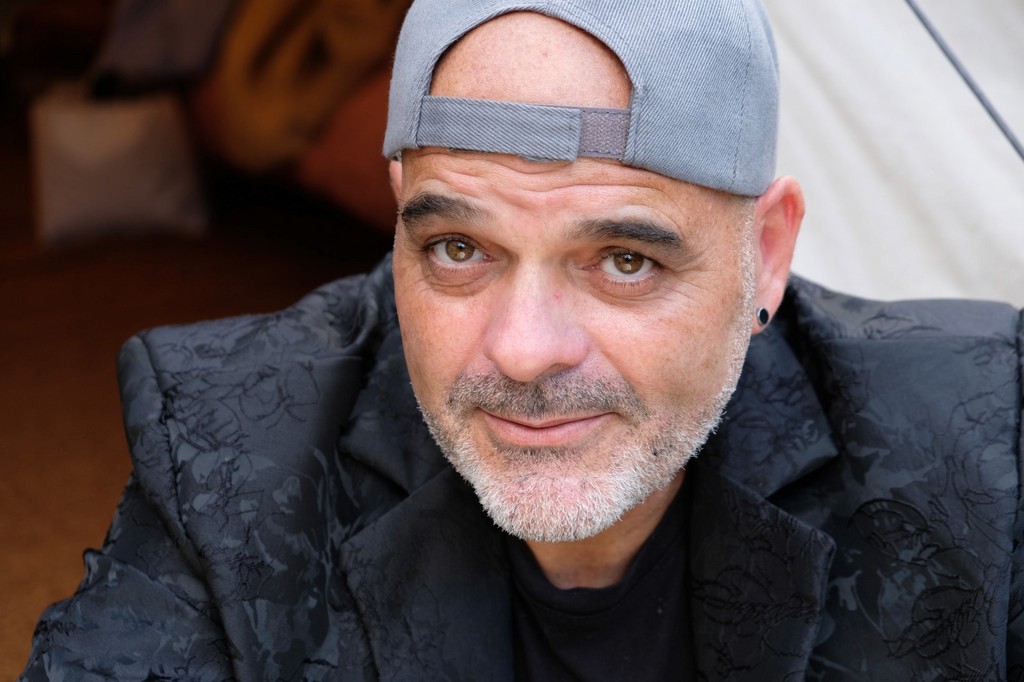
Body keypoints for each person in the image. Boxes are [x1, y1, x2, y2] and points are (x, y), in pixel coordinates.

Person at [21, 0, 1024, 679]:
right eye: (459, 249)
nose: (525, 348)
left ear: (764, 255)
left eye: (624, 259)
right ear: (400, 220)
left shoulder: (980, 448)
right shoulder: (230, 450)